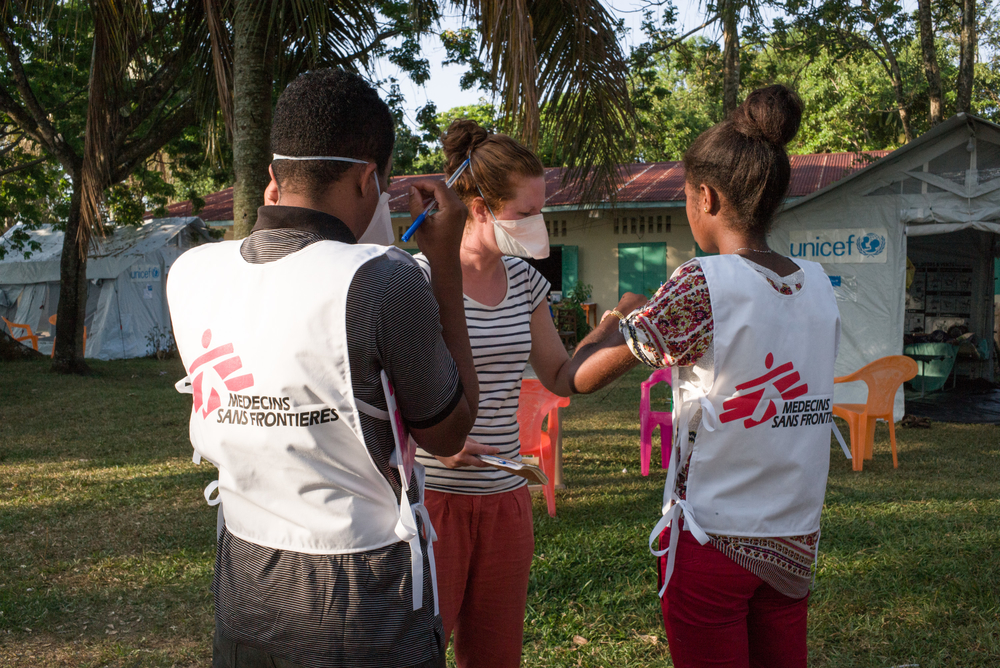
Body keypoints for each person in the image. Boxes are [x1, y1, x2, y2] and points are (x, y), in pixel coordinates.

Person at [166, 69, 479, 668]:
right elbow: (449, 433)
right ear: (369, 178)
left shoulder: (192, 271)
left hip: (243, 583)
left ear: (273, 179)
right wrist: (444, 265)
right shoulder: (381, 278)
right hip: (361, 602)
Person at [581, 84, 843, 667]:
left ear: (708, 196)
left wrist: (617, 318)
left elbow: (584, 378)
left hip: (712, 538)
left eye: (685, 197)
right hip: (794, 536)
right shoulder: (819, 285)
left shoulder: (703, 283)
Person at [410, 119, 646, 668]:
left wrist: (619, 328)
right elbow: (384, 391)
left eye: (542, 209)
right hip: (433, 499)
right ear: (478, 207)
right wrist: (436, 442)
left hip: (506, 497)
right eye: (525, 212)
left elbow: (562, 375)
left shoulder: (526, 283)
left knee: (495, 656)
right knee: (420, 652)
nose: (537, 223)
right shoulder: (414, 278)